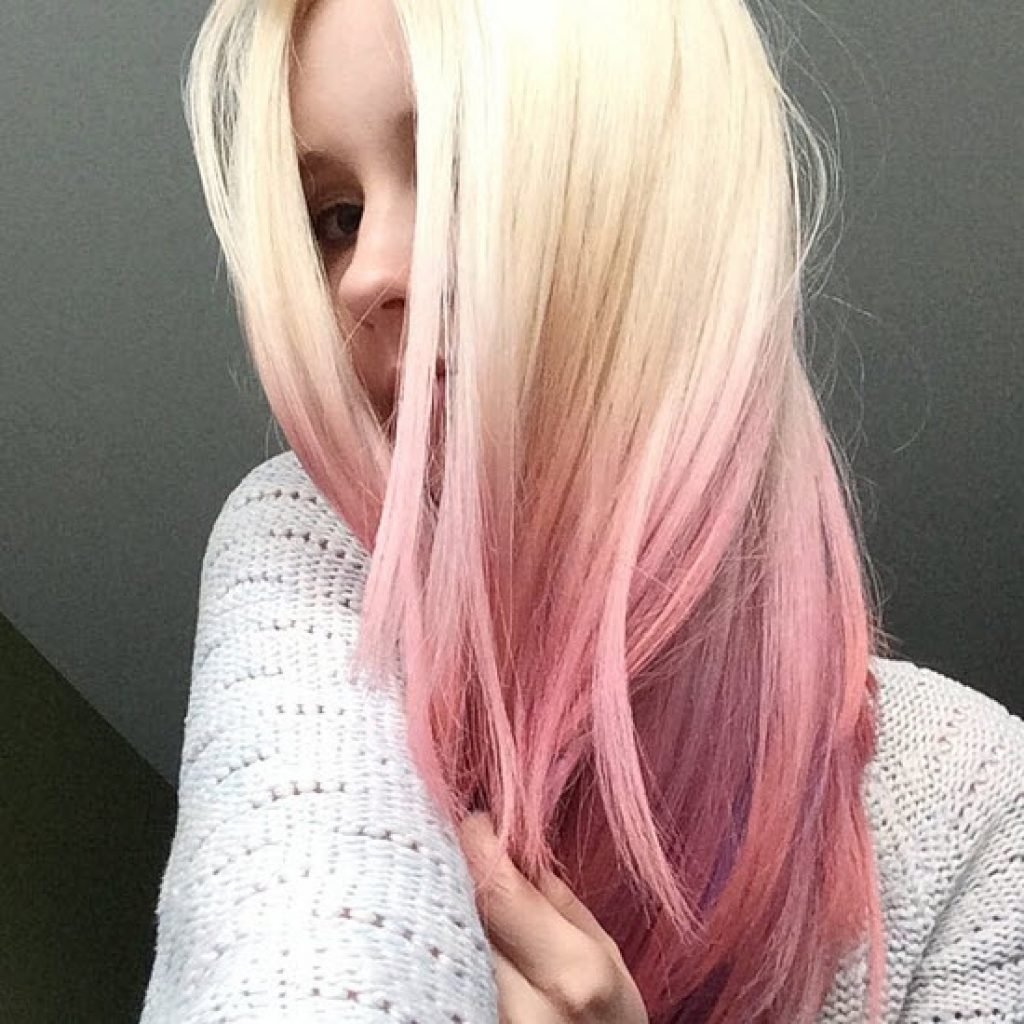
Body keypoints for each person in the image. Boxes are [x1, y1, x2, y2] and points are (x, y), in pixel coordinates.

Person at [139, 0, 1024, 1021]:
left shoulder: (973, 801)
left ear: (665, 204)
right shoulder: (296, 548)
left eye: (463, 163)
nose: (364, 274)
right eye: (336, 216)